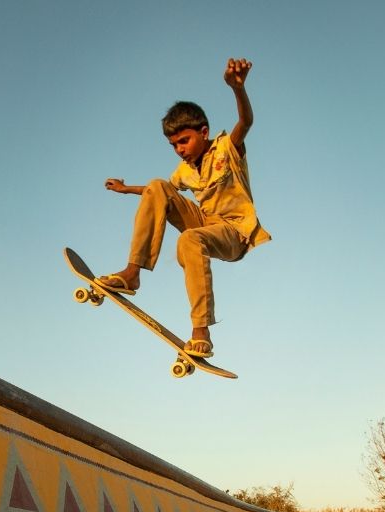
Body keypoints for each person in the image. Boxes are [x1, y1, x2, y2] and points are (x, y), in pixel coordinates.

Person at [98, 57, 271, 359]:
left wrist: (237, 89)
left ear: (204, 132)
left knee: (189, 240)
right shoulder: (184, 171)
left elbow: (246, 123)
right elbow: (158, 194)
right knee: (157, 184)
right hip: (204, 221)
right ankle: (132, 273)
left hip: (234, 232)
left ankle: (201, 330)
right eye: (174, 145)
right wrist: (127, 190)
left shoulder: (227, 149)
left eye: (184, 141)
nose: (180, 149)